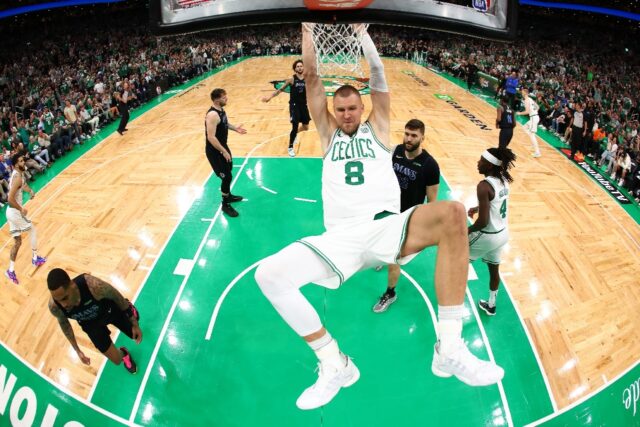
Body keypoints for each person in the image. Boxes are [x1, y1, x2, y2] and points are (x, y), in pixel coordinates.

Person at [255, 23, 504, 411]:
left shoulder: (379, 128)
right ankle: (334, 363)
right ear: (333, 112)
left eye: (353, 107)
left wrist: (363, 37)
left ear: (362, 106)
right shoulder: (327, 133)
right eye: (341, 109)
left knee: (454, 213)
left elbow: (380, 76)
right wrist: (307, 30)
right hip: (339, 237)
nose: (347, 114)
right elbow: (314, 77)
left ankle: (449, 349)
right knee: (268, 276)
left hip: (385, 225)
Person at [372, 118, 440, 313]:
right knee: (382, 243)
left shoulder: (430, 166)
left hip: (408, 219)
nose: (408, 139)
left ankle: (390, 293)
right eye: (407, 134)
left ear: (422, 138)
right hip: (388, 211)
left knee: (394, 257)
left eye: (414, 136)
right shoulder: (396, 152)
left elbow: (432, 201)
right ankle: (383, 260)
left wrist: (424, 226)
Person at [47, 268, 141, 374]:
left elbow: (115, 295)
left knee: (135, 334)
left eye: (65, 298)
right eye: (57, 300)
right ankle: (124, 354)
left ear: (72, 286)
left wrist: (133, 322)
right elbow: (64, 324)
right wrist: (77, 350)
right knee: (117, 360)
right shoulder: (54, 307)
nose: (63, 305)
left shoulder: (93, 286)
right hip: (91, 325)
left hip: (109, 311)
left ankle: (129, 307)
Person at [467, 148, 516, 316]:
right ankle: (491, 305)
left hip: (487, 235)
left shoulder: (483, 185)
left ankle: (453, 304)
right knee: (494, 271)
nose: (478, 163)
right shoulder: (503, 180)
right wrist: (477, 207)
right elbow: (494, 203)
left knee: (457, 258)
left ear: (489, 165)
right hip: (502, 234)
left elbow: (483, 222)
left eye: (481, 161)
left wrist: (466, 230)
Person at [5, 152, 46, 285]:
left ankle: (10, 271)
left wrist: (30, 191)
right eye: (22, 161)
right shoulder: (17, 177)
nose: (24, 163)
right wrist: (21, 209)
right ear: (16, 163)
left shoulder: (18, 175)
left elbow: (22, 185)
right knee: (32, 230)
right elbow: (9, 199)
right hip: (14, 212)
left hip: (10, 213)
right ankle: (35, 258)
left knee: (18, 242)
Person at [205, 88, 247, 217]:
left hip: (222, 147)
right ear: (217, 100)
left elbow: (224, 123)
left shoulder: (221, 111)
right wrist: (224, 152)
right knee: (226, 176)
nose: (226, 98)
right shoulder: (212, 115)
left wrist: (236, 129)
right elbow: (211, 137)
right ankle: (225, 204)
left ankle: (228, 196)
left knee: (229, 171)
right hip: (215, 151)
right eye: (224, 97)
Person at [262, 59, 311, 157]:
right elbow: (280, 90)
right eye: (298, 66)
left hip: (304, 105)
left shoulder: (307, 79)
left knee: (306, 127)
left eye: (301, 66)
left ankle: (294, 133)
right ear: (295, 69)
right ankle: (290, 147)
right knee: (295, 126)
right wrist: (269, 97)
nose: (300, 67)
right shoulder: (291, 79)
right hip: (294, 106)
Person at [516, 87, 541, 158]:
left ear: (526, 93)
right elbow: (538, 107)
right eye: (522, 92)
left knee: (532, 135)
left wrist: (519, 113)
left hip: (533, 118)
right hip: (535, 117)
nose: (522, 93)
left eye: (523, 92)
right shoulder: (530, 99)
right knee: (524, 127)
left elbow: (527, 111)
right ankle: (534, 144)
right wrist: (534, 111)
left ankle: (537, 152)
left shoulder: (527, 100)